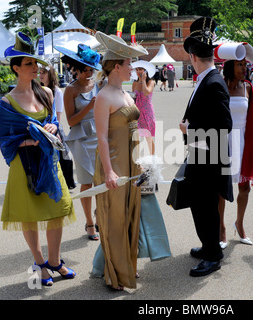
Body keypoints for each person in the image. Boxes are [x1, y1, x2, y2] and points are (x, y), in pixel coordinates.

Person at [0, 31, 76, 286]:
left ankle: (55, 260)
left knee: (58, 209)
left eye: (35, 62)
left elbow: (53, 121)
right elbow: (5, 140)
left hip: (48, 161)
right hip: (24, 165)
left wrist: (52, 127)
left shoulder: (47, 93)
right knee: (28, 215)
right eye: (29, 63)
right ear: (16, 68)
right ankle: (40, 263)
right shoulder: (7, 102)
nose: (35, 67)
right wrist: (31, 140)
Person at [92, 31, 169, 291]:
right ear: (117, 66)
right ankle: (114, 273)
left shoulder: (125, 94)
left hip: (132, 164)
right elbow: (101, 138)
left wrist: (143, 160)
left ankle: (126, 266)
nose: (132, 68)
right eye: (128, 64)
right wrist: (110, 172)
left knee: (130, 215)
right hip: (113, 164)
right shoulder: (103, 97)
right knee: (114, 219)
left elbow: (136, 129)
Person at [179, 17, 233, 277]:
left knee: (206, 206)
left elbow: (225, 125)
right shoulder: (207, 78)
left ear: (192, 55)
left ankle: (213, 255)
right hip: (203, 154)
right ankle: (208, 245)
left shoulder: (212, 82)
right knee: (200, 205)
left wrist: (189, 130)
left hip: (210, 158)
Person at [218, 44, 253, 249]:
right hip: (224, 140)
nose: (244, 68)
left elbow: (252, 115)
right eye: (239, 65)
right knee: (221, 189)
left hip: (244, 139)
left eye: (245, 64)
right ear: (230, 65)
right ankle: (221, 228)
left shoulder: (248, 86)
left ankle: (239, 225)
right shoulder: (220, 85)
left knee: (244, 187)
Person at [55, 44, 102, 241]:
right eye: (85, 70)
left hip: (99, 135)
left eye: (91, 69)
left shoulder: (97, 85)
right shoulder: (71, 90)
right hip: (81, 138)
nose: (89, 73)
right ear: (75, 69)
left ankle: (100, 216)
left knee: (101, 178)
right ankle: (89, 223)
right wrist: (90, 105)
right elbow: (71, 120)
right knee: (87, 181)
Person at [39, 63, 76, 190]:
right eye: (40, 73)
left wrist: (56, 132)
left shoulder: (57, 91)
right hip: (41, 126)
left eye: (43, 73)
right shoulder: (37, 89)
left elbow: (58, 114)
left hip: (54, 127)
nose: (41, 75)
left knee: (64, 155)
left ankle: (64, 183)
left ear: (50, 74)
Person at [131, 60, 156, 155]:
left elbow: (146, 93)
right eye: (137, 69)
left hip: (147, 111)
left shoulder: (151, 82)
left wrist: (144, 80)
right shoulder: (134, 83)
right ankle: (137, 159)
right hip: (137, 111)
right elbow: (133, 98)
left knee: (148, 136)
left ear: (145, 71)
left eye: (141, 69)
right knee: (136, 136)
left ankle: (152, 158)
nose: (138, 71)